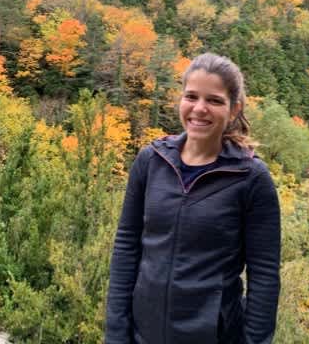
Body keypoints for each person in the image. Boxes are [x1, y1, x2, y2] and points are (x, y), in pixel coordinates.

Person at [105, 53, 281, 344]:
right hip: (142, 333)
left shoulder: (250, 177)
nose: (199, 109)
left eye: (214, 100)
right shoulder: (151, 160)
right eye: (191, 96)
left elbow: (264, 275)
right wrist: (116, 333)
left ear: (234, 109)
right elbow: (126, 245)